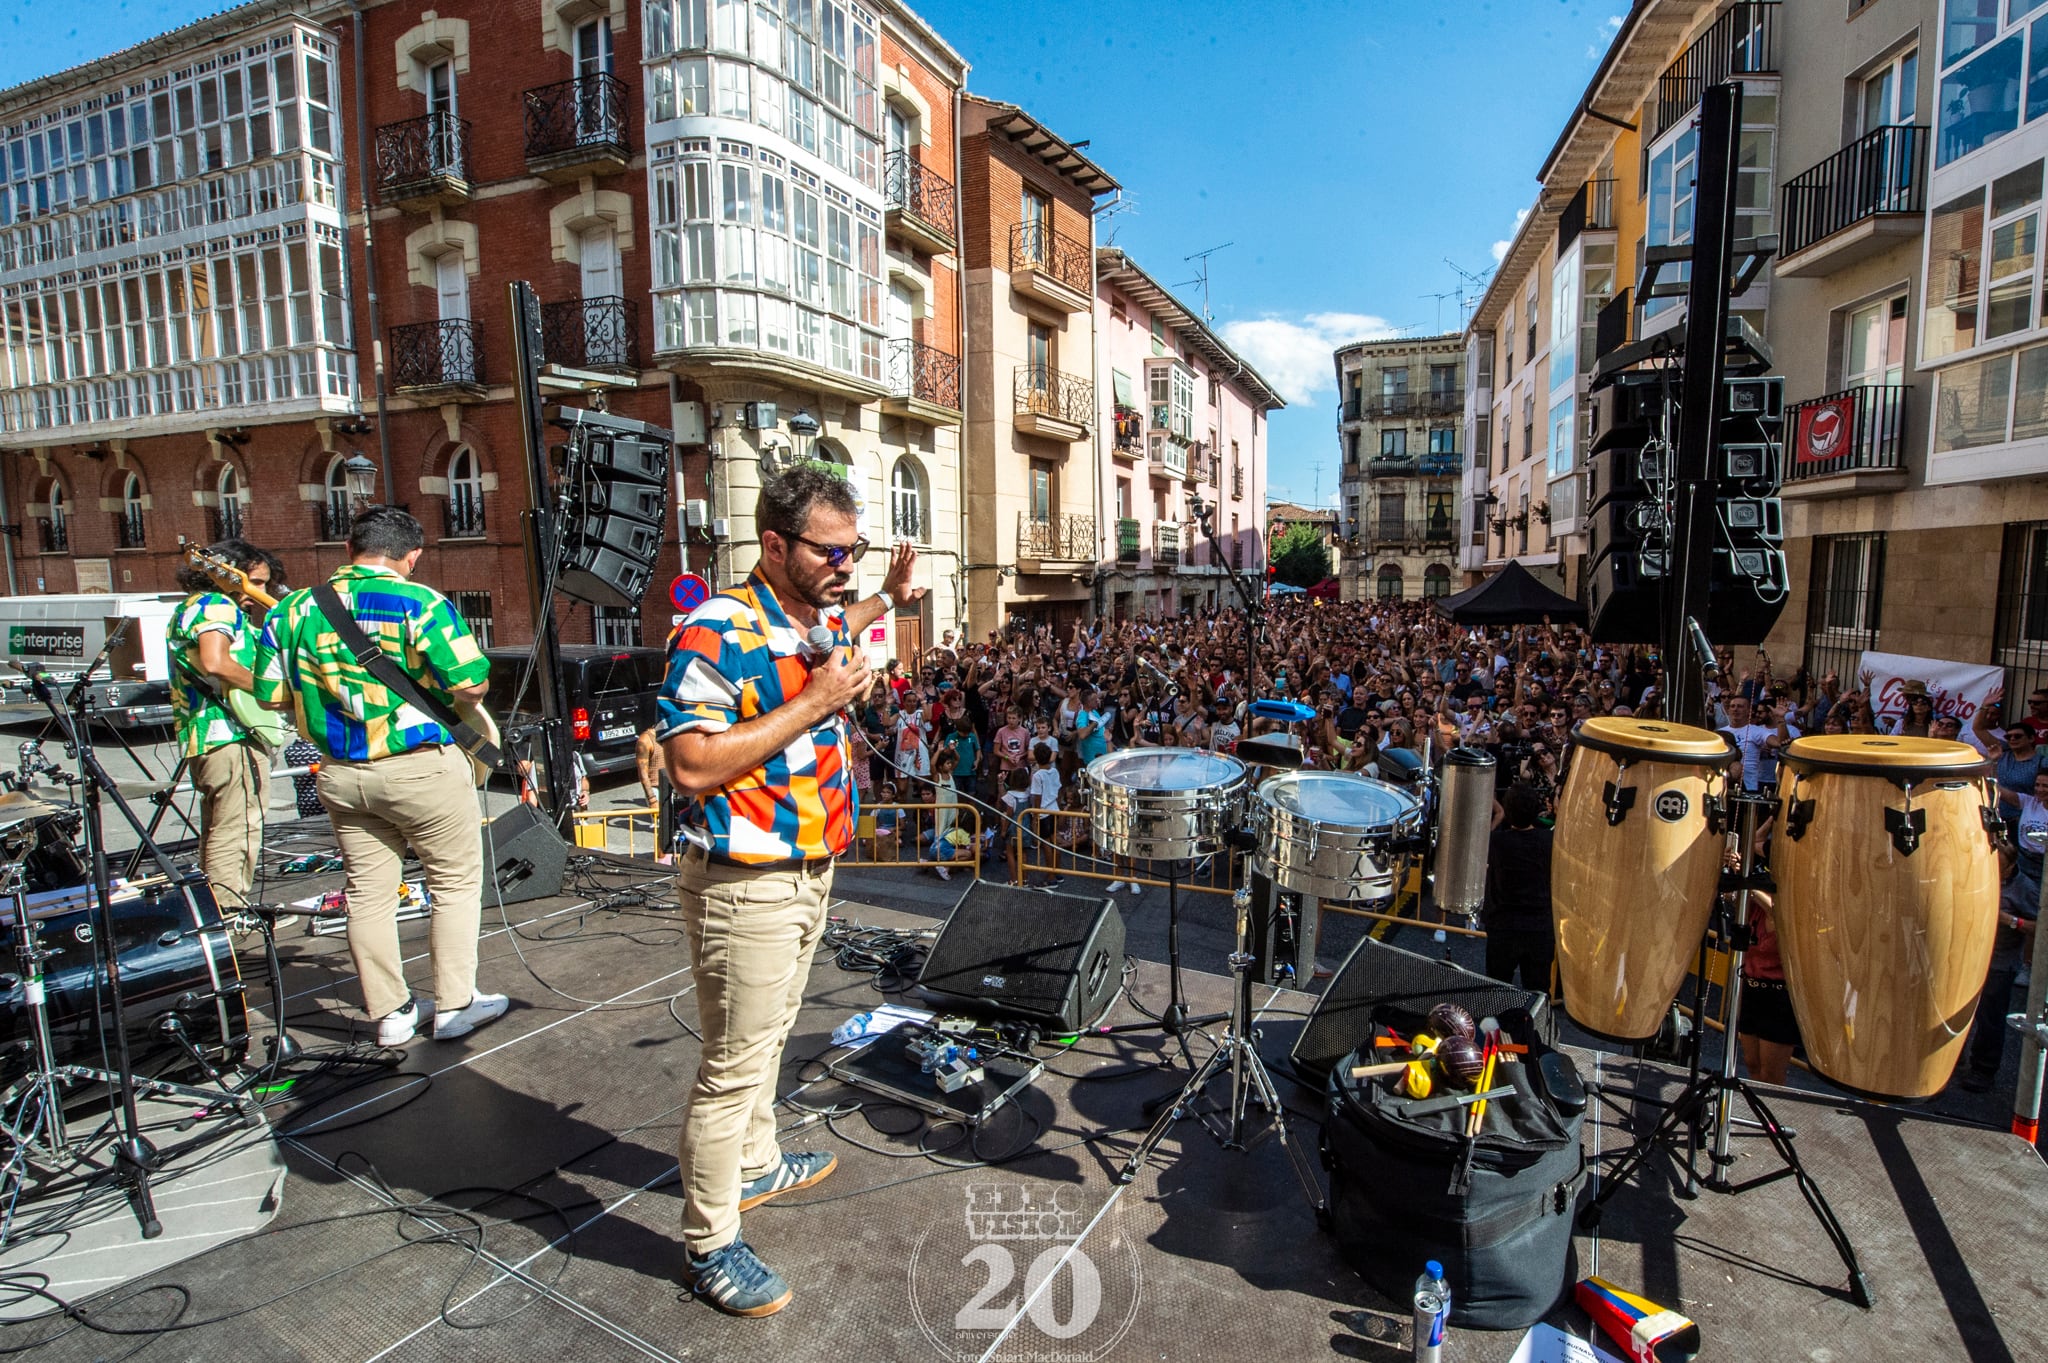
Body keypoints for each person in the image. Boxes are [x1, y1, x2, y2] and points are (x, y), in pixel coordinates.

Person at [657, 466, 920, 1317]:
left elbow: (856, 614)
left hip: (810, 866)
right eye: (830, 550)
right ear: (774, 544)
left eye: (856, 549)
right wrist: (817, 702)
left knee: (767, 1040)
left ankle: (760, 1163)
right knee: (734, 1066)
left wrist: (887, 594)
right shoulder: (717, 628)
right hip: (748, 881)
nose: (845, 564)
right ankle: (710, 1241)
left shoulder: (815, 612)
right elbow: (691, 764)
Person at [253, 507, 506, 1046]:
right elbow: (472, 683)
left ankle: (391, 1014)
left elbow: (270, 694)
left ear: (349, 548)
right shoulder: (420, 601)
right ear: (411, 556)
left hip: (341, 772)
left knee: (367, 894)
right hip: (418, 769)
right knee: (454, 884)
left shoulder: (292, 610)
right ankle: (456, 1005)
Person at [169, 538, 277, 910]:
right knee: (237, 830)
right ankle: (227, 915)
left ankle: (211, 911)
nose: (259, 592)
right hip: (229, 735)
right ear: (228, 576)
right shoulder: (217, 605)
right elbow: (215, 662)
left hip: (207, 736)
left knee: (220, 828)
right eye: (257, 582)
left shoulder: (193, 607)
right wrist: (272, 691)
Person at [1481, 784, 1555, 991]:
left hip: (1503, 923)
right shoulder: (1549, 841)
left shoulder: (1495, 842)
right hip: (1539, 925)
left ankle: (1495, 1023)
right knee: (1538, 989)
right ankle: (1535, 1023)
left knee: (1496, 986)